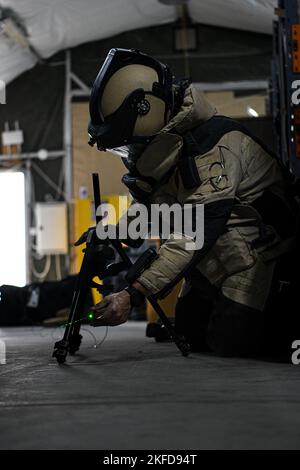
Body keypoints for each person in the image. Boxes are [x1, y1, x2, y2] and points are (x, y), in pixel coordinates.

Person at [88, 48, 299, 357]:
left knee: (231, 345)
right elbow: (156, 209)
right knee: (191, 336)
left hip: (255, 257)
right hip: (215, 257)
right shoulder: (173, 145)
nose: (129, 153)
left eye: (126, 143)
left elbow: (191, 234)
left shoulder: (213, 149)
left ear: (149, 113)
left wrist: (133, 294)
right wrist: (110, 233)